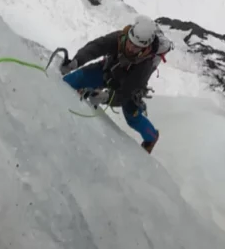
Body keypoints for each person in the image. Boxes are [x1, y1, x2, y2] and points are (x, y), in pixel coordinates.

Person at [61, 15, 171, 154]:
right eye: (130, 42)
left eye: (136, 47)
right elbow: (96, 47)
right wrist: (76, 61)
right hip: (109, 69)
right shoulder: (120, 38)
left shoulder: (145, 65)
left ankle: (151, 137)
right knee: (72, 80)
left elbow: (126, 92)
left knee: (133, 118)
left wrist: (106, 97)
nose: (131, 48)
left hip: (127, 85)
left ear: (146, 48)